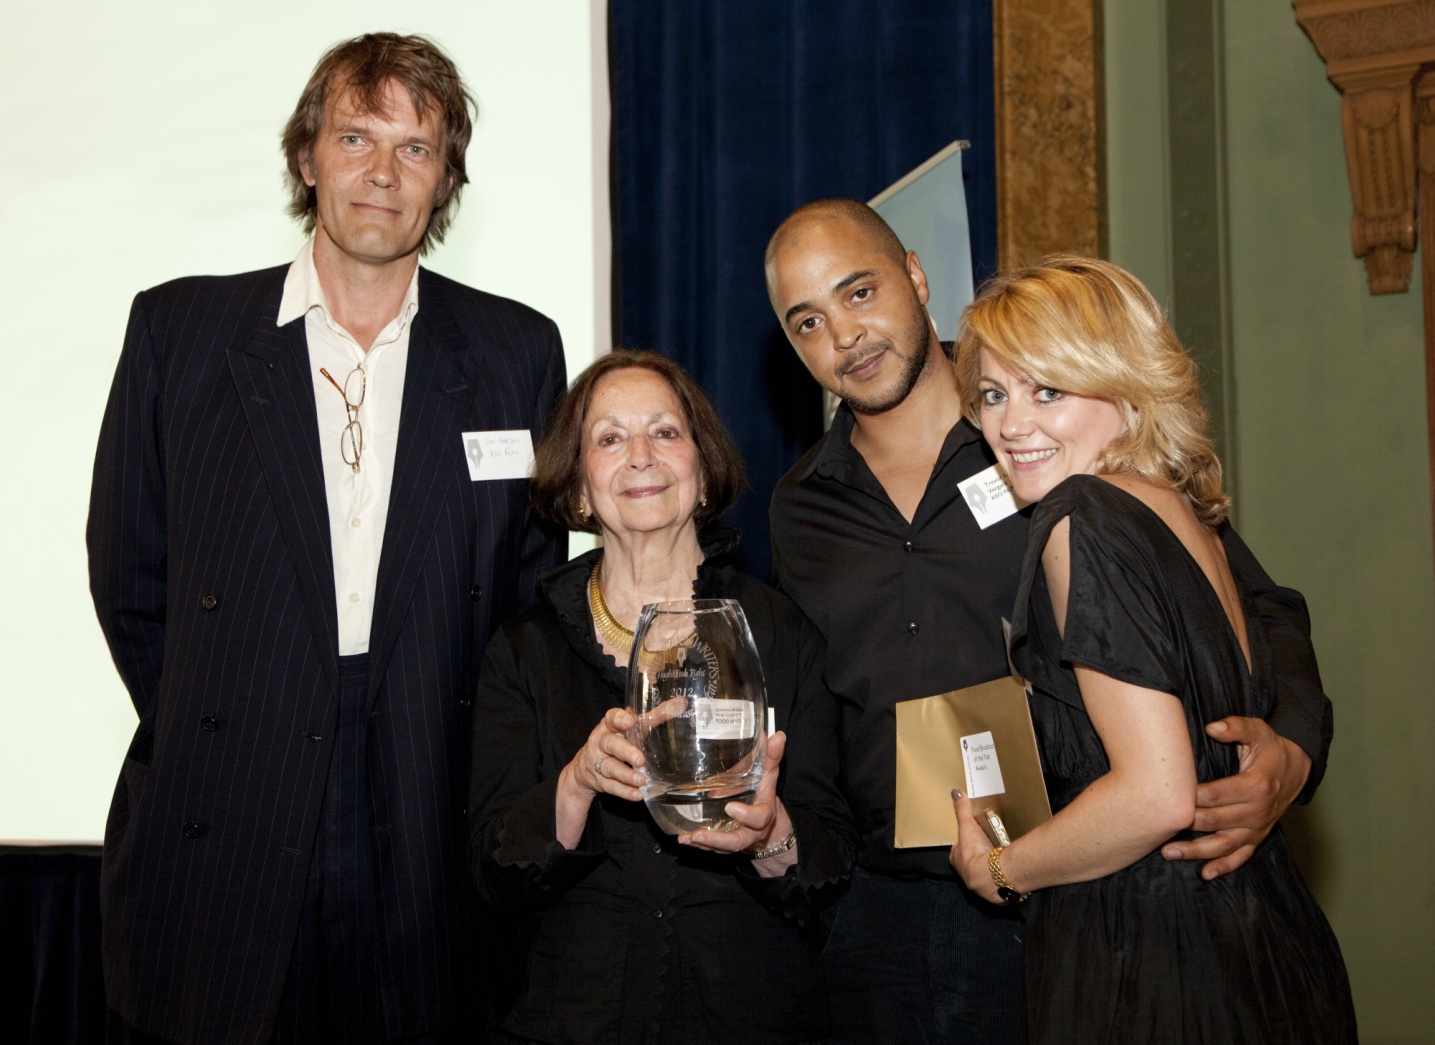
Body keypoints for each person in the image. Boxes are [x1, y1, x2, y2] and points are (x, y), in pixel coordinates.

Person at [87, 33, 566, 1045]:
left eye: (416, 148)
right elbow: (130, 571)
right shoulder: (182, 334)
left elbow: (527, 591)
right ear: (308, 157)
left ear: (446, 182)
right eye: (356, 137)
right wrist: (230, 703)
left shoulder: (517, 350)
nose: (383, 174)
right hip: (235, 785)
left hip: (432, 792)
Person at [764, 199, 1334, 1044]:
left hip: (1066, 880)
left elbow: (1252, 606)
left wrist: (1288, 752)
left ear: (916, 276)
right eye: (807, 321)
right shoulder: (799, 508)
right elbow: (810, 705)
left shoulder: (1052, 438)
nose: (844, 335)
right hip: (879, 907)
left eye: (859, 292)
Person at [946, 255, 1357, 1042]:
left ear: (1126, 389)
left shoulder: (1081, 515)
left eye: (1049, 390)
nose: (1009, 423)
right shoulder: (1180, 510)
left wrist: (997, 870)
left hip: (1148, 958)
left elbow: (1155, 795)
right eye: (994, 394)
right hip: (1262, 934)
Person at [467, 351, 854, 1045]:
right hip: (572, 1015)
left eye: (666, 433)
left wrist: (770, 833)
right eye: (610, 438)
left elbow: (827, 861)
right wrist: (576, 784)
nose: (640, 456)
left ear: (702, 474)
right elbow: (494, 873)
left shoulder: (779, 630)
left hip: (752, 1012)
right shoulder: (524, 648)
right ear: (580, 490)